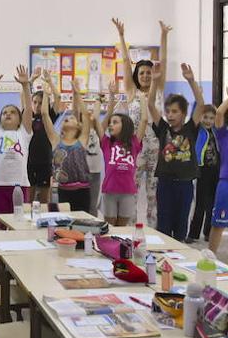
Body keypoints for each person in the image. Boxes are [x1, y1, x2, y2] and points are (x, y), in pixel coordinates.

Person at [112, 18, 171, 228]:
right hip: (135, 149)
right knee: (132, 193)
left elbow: (162, 61)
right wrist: (121, 36)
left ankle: (155, 232)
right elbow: (126, 65)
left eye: (149, 72)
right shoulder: (131, 92)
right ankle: (130, 233)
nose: (146, 75)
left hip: (156, 149)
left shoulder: (158, 89)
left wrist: (164, 36)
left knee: (154, 195)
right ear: (137, 76)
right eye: (142, 72)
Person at [148, 62, 205, 241]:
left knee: (181, 226)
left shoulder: (190, 128)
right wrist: (154, 82)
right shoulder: (163, 129)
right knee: (164, 224)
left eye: (175, 111)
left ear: (183, 113)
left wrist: (191, 81)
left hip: (185, 184)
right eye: (168, 111)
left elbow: (201, 105)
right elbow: (150, 105)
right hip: (165, 183)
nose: (170, 115)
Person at [0, 66, 33, 230]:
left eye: (13, 112)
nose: (7, 114)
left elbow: (28, 110)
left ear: (19, 120)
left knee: (18, 226)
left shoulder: (23, 133)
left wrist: (26, 86)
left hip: (19, 185)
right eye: (5, 112)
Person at [95, 81, 147, 226]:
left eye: (115, 122)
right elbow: (97, 123)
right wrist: (110, 97)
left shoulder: (134, 143)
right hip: (109, 191)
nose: (111, 125)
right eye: (111, 123)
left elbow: (144, 120)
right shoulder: (106, 143)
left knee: (122, 228)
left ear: (125, 125)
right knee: (110, 226)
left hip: (128, 192)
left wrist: (142, 99)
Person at [42, 80, 92, 212]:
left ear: (78, 126)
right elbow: (44, 115)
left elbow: (86, 115)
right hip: (64, 190)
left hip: (83, 190)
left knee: (82, 224)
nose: (68, 118)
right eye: (66, 118)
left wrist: (77, 94)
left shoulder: (82, 140)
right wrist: (46, 95)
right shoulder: (55, 141)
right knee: (66, 224)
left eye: (72, 118)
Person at [27, 68, 65, 203]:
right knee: (29, 198)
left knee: (44, 200)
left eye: (40, 102)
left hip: (45, 161)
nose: (37, 105)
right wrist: (30, 80)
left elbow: (58, 97)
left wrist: (49, 82)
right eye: (34, 102)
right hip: (29, 162)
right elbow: (23, 97)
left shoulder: (49, 116)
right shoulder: (28, 116)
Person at [187, 104, 220, 243]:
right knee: (200, 203)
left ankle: (208, 233)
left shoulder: (217, 131)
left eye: (212, 118)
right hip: (203, 170)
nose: (208, 120)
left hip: (216, 171)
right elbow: (197, 107)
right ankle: (193, 234)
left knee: (212, 203)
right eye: (205, 117)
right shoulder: (197, 130)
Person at [209, 91, 228, 253]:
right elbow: (220, 112)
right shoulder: (223, 134)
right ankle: (210, 257)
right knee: (218, 224)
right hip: (225, 183)